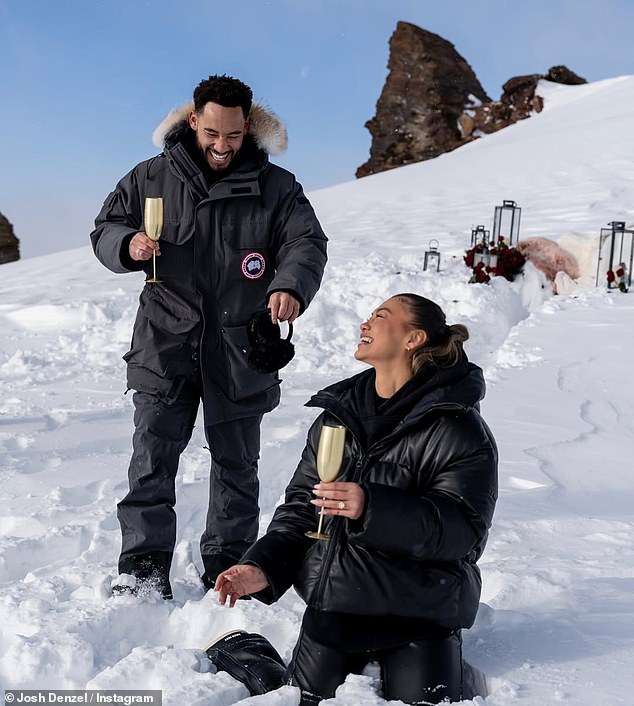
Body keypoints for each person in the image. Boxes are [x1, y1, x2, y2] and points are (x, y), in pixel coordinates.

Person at [90, 75, 328, 599]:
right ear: (194, 120)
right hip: (165, 343)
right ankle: (143, 568)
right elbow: (105, 228)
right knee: (152, 459)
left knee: (237, 466)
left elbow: (306, 242)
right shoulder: (150, 177)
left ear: (249, 128)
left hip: (241, 349)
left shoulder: (277, 187)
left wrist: (289, 285)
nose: (222, 147)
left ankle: (228, 566)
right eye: (213, 133)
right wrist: (126, 245)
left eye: (235, 136)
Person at [214, 293, 498, 705]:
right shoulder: (337, 416)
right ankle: (242, 649)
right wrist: (263, 565)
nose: (365, 324)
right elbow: (301, 508)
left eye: (381, 316)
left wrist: (372, 507)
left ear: (413, 338)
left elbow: (463, 533)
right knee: (300, 702)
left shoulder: (460, 429)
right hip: (338, 603)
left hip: (420, 611)